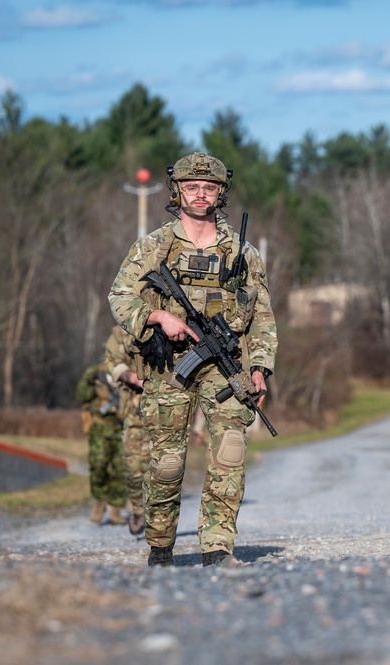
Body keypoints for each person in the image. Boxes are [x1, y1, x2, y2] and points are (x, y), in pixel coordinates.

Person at [108, 151, 277, 567]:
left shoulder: (242, 253)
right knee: (166, 463)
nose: (201, 195)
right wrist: (157, 316)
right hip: (169, 367)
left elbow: (262, 317)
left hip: (226, 366)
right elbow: (119, 295)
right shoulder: (155, 245)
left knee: (230, 453)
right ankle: (161, 545)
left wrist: (259, 367)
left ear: (221, 193)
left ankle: (218, 547)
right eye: (192, 187)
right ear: (177, 190)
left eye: (209, 188)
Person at [76, 336, 128, 526]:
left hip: (121, 427)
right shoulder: (97, 374)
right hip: (100, 427)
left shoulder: (127, 371)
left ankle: (115, 509)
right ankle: (100, 501)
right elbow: (82, 394)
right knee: (98, 466)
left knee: (120, 470)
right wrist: (90, 377)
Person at [105, 324, 148, 536]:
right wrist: (131, 377)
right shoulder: (122, 332)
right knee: (133, 468)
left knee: (166, 468)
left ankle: (163, 523)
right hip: (134, 410)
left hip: (169, 408)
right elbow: (111, 361)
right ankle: (138, 509)